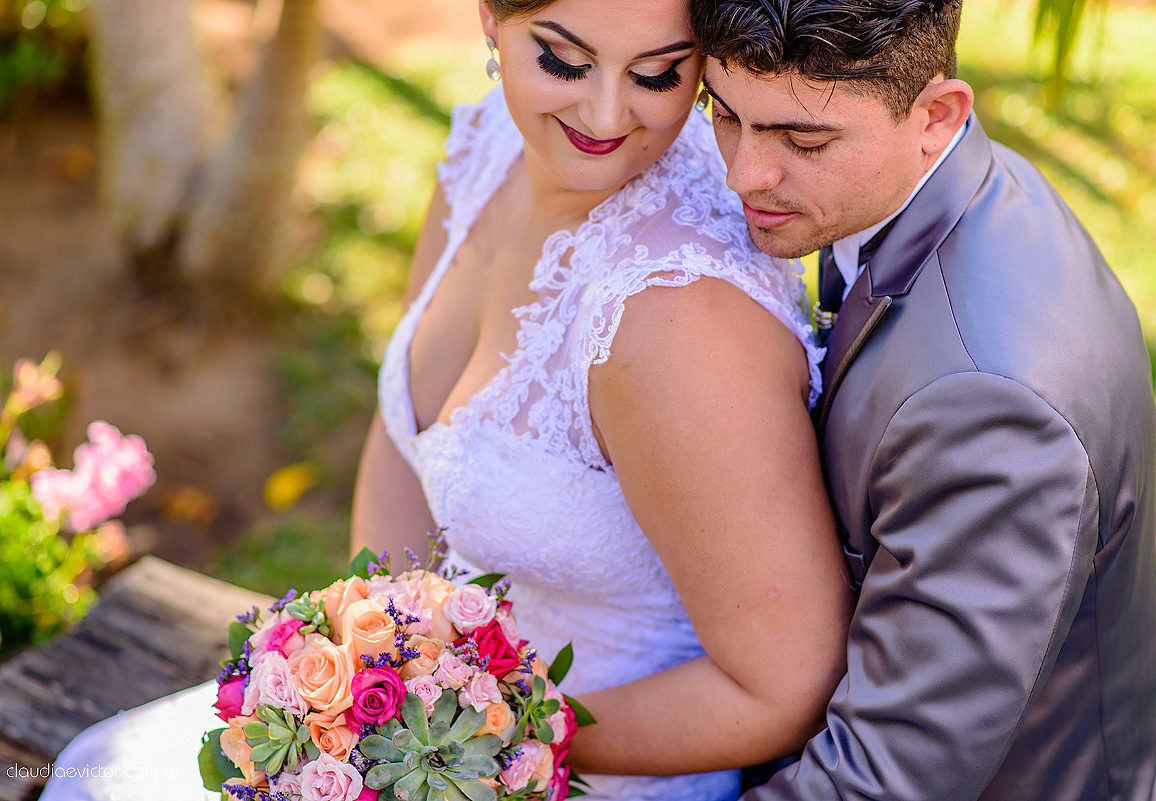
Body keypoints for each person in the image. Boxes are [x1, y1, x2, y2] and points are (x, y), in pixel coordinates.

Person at [40, 0, 853, 799]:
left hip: (590, 766)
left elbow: (781, 686)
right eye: (564, 60)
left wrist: (476, 743)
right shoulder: (491, 145)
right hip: (419, 736)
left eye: (660, 74)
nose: (606, 115)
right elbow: (407, 439)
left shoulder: (682, 315)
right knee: (95, 770)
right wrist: (356, 677)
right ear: (491, 20)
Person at [684, 1, 1156, 799]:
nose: (744, 173)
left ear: (935, 114)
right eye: (725, 114)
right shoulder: (935, 188)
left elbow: (885, 778)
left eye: (803, 139)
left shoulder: (990, 407)